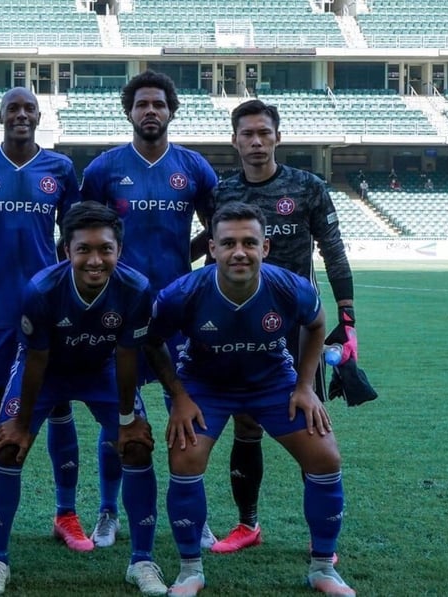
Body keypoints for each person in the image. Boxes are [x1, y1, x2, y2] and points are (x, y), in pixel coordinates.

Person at [145, 202, 354, 597]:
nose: (239, 251)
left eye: (249, 242)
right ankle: (190, 570)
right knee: (185, 458)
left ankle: (323, 568)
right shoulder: (184, 291)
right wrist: (179, 396)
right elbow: (152, 342)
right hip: (204, 385)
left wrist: (305, 386)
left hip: (273, 381)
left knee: (325, 456)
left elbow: (317, 324)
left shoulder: (290, 287)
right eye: (228, 243)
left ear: (266, 247)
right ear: (213, 248)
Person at [0, 201, 166, 597]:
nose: (95, 260)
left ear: (119, 251)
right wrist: (22, 423)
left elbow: (129, 354)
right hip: (46, 373)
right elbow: (37, 358)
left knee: (136, 448)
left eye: (105, 250)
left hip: (102, 370)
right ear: (67, 251)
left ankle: (142, 561)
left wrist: (128, 417)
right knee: (8, 448)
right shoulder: (42, 288)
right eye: (84, 250)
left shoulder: (136, 288)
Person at [210, 100, 357, 555]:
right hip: (242, 328)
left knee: (307, 423)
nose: (256, 142)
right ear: (235, 140)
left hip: (299, 327)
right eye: (247, 134)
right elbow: (214, 249)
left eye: (264, 133)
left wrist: (348, 320)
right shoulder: (223, 193)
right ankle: (247, 524)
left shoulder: (307, 187)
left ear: (277, 137)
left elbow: (333, 250)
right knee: (245, 423)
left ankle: (321, 538)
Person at [80, 69, 218, 549]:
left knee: (185, 411)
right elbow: (83, 237)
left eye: (159, 104)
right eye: (142, 105)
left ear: (171, 110)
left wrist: (189, 257)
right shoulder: (103, 170)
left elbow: (216, 228)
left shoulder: (195, 168)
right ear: (129, 111)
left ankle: (192, 515)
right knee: (117, 415)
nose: (151, 111)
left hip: (180, 312)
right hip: (118, 313)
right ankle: (107, 512)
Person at [0, 87, 86, 554]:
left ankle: (66, 513)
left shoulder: (60, 169)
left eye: (28, 109)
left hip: (48, 311)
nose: (20, 115)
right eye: (12, 108)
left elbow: (71, 242)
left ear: (39, 116)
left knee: (57, 405)